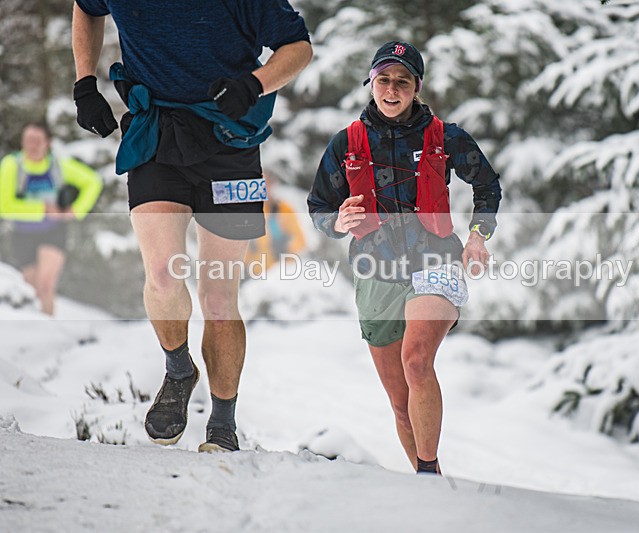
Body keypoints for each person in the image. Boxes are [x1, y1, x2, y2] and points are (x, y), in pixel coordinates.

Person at [71, 0, 312, 452]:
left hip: (231, 142)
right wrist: (85, 82)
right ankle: (179, 369)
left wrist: (253, 85)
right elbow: (86, 8)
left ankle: (223, 422)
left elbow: (297, 47)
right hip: (156, 133)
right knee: (163, 273)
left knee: (218, 294)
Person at [308, 41, 501, 475]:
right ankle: (423, 484)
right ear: (371, 83)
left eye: (403, 81)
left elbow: (488, 186)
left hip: (436, 260)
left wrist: (477, 235)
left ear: (416, 87)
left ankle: (429, 473)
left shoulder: (446, 137)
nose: (391, 90)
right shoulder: (347, 143)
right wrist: (336, 222)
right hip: (375, 268)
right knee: (399, 402)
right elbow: (319, 207)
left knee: (416, 362)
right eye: (384, 80)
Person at [0, 122, 102, 316]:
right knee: (32, 292)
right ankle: (36, 334)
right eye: (28, 140)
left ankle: (49, 331)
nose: (32, 145)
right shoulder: (11, 165)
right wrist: (43, 209)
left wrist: (76, 211)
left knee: (45, 286)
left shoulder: (59, 165)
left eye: (37, 140)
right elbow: (4, 206)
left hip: (53, 232)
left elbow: (93, 182)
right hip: (23, 234)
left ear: (48, 143)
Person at [244, 172, 306, 275]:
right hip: (255, 273)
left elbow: (300, 240)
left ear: (272, 184)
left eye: (265, 184)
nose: (262, 188)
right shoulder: (247, 212)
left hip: (281, 270)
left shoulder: (283, 209)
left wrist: (287, 247)